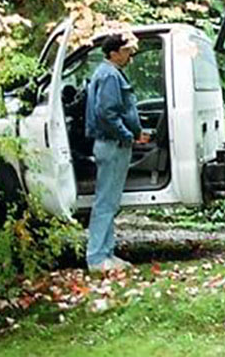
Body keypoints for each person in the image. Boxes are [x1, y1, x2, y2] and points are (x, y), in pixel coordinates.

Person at [84, 33, 144, 273]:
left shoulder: (107, 72)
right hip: (112, 144)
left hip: (110, 143)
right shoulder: (109, 75)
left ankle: (106, 253)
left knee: (109, 202)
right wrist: (128, 136)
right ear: (114, 53)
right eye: (127, 51)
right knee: (106, 203)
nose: (130, 55)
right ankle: (97, 258)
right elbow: (107, 113)